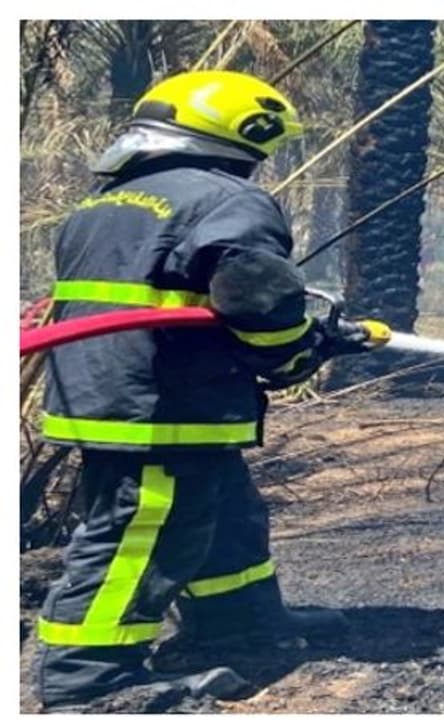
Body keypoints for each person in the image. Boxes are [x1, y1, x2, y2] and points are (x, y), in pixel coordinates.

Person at [34, 70, 371, 709]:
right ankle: (86, 680)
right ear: (239, 134)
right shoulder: (225, 200)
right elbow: (256, 299)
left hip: (108, 393)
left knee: (224, 516)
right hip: (167, 402)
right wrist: (302, 349)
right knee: (143, 533)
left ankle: (237, 624)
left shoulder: (104, 204)